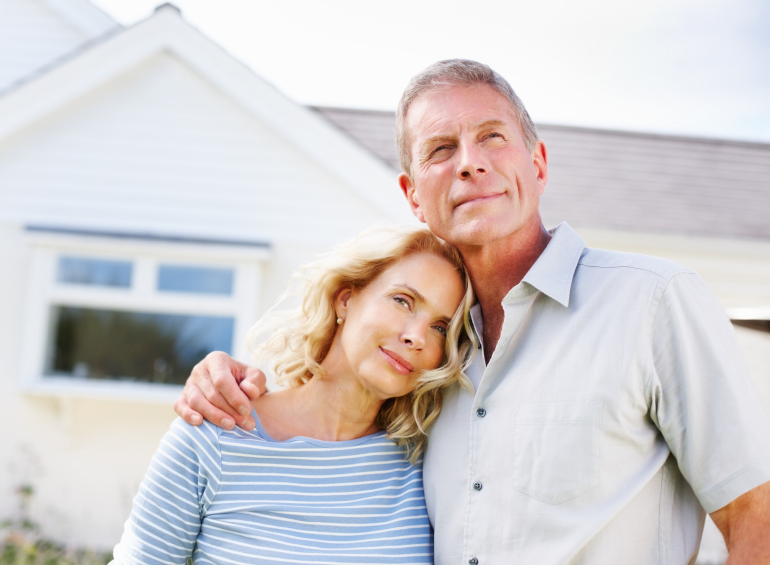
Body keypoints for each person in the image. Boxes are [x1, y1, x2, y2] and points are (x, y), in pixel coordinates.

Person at [174, 59, 770, 564]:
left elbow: (755, 516)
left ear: (536, 164)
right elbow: (332, 416)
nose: (469, 162)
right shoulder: (428, 356)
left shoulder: (652, 301)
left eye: (492, 136)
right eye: (440, 149)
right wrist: (220, 379)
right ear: (413, 196)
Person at [111, 227, 477, 564]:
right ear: (345, 299)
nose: (418, 336)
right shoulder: (214, 434)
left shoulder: (425, 464)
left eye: (440, 328)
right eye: (402, 300)